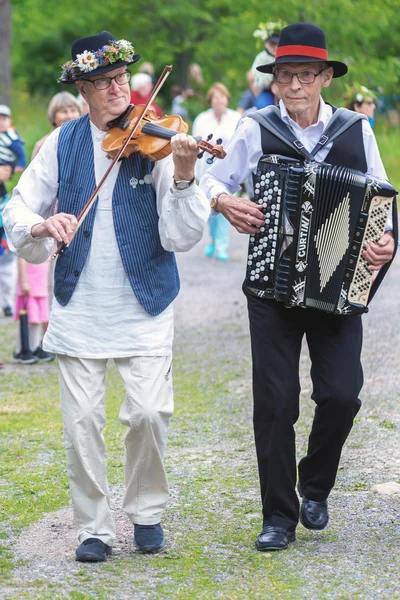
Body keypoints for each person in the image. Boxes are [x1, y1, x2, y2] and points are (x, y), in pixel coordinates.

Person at [3, 30, 209, 561]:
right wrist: (43, 225)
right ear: (84, 90)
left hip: (144, 300)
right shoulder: (60, 143)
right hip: (80, 305)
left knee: (147, 413)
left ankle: (146, 511)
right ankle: (94, 527)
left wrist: (184, 174)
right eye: (104, 81)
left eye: (121, 78)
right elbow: (17, 209)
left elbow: (182, 236)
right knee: (82, 425)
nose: (118, 89)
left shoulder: (158, 141)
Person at [200, 22, 396, 552]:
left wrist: (386, 243)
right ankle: (279, 517)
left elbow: (383, 202)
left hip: (336, 292)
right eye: (285, 76)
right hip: (271, 287)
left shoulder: (356, 130)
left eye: (305, 75)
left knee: (342, 396)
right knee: (276, 401)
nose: (294, 86)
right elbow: (209, 177)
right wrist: (224, 201)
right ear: (275, 79)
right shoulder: (254, 128)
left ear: (325, 77)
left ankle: (314, 483)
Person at [192, 83, 240, 261]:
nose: (219, 100)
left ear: (227, 98)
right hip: (206, 170)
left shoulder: (236, 118)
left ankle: (222, 245)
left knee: (225, 207)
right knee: (209, 208)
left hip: (229, 171)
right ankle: (213, 240)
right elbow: (196, 147)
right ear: (210, 101)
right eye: (215, 97)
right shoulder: (201, 119)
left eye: (222, 97)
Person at [13, 256, 54, 364]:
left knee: (38, 319)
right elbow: (21, 258)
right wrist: (24, 282)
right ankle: (22, 349)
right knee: (27, 318)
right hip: (29, 286)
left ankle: (35, 346)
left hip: (41, 286)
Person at [32, 92, 82, 159]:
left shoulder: (87, 140)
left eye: (73, 111)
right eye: (64, 112)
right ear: (53, 116)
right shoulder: (43, 145)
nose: (70, 116)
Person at [251, 21, 285, 109]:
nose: (275, 47)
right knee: (263, 107)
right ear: (266, 44)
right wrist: (271, 73)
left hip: (285, 89)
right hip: (267, 92)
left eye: (277, 44)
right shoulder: (261, 58)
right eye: (272, 44)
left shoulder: (286, 57)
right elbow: (257, 83)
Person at [0, 104, 27, 174]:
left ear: (10, 122)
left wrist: (20, 165)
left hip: (6, 163)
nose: (1, 122)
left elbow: (21, 153)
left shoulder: (11, 136)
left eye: (4, 119)